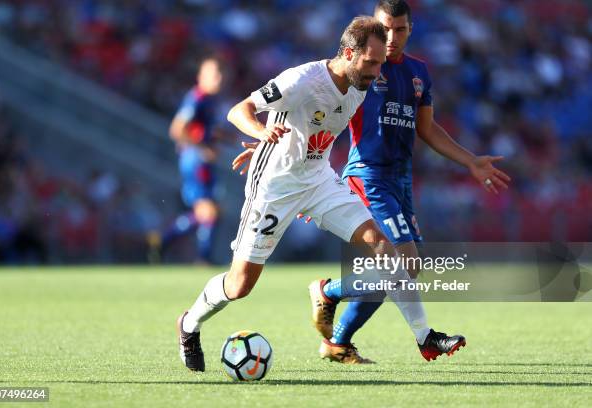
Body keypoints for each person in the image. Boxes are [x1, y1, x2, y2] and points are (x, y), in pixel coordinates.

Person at [233, 0, 509, 364]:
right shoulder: (361, 72)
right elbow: (314, 110)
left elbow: (427, 129)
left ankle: (337, 334)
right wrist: (274, 149)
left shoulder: (418, 74)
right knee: (403, 264)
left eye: (399, 30)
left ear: (410, 30)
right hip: (367, 175)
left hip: (400, 178)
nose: (391, 38)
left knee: (399, 268)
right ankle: (338, 299)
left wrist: (470, 160)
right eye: (385, 29)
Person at [178, 16, 458, 373]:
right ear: (347, 52)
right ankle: (189, 325)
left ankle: (425, 337)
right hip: (275, 187)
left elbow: (314, 130)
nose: (378, 70)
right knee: (240, 285)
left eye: (380, 62)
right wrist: (262, 135)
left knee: (383, 245)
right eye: (371, 62)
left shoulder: (361, 84)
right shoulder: (302, 80)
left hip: (319, 179)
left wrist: (287, 148)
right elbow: (240, 111)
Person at [148, 58, 223, 264]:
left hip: (202, 160)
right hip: (195, 160)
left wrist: (221, 138)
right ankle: (203, 259)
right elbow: (177, 129)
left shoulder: (209, 100)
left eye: (220, 73)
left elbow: (203, 129)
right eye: (214, 74)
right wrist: (202, 148)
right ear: (201, 77)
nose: (219, 78)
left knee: (209, 212)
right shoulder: (196, 98)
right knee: (209, 211)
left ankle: (162, 241)